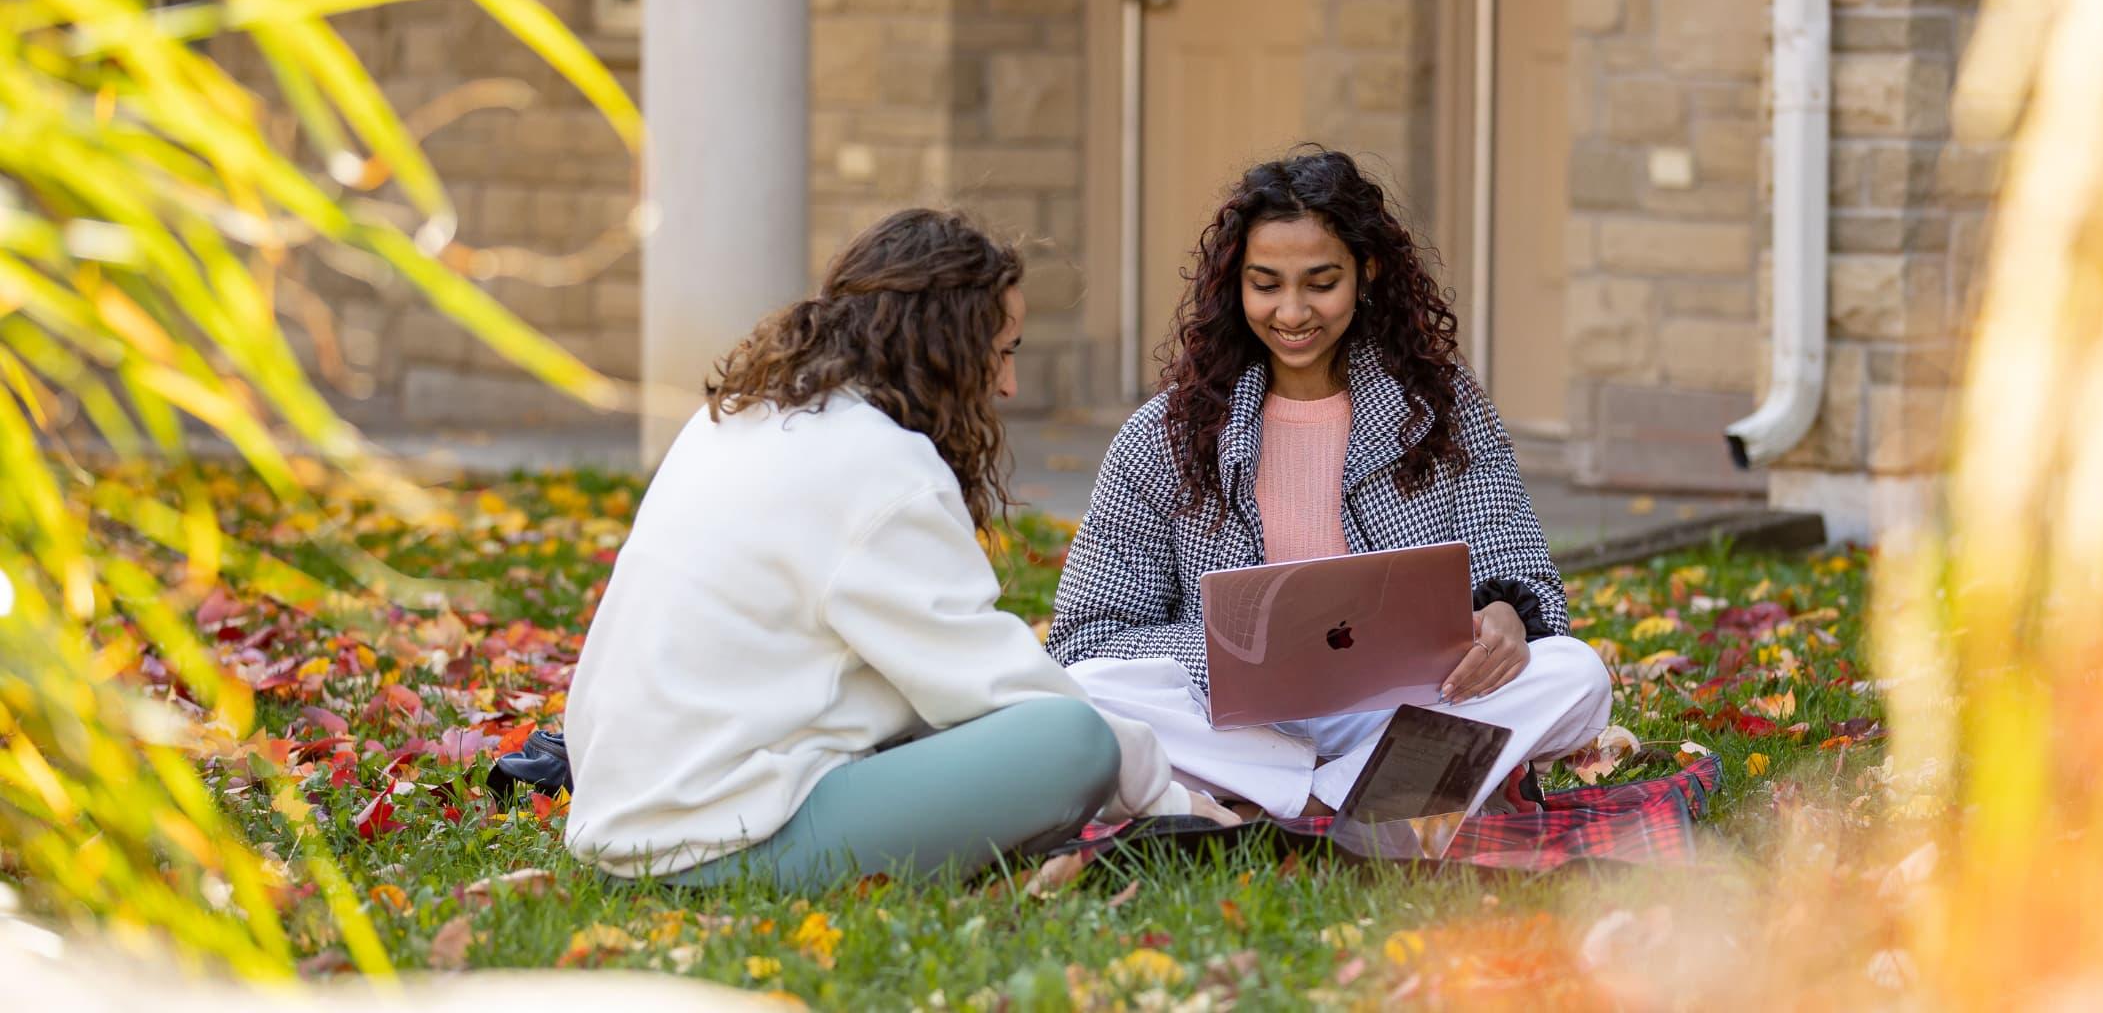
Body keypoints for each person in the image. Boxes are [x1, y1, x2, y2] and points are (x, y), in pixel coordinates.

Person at [564, 209, 1232, 891]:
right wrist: (1175, 800)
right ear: (944, 347)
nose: (1009, 386)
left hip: (628, 822)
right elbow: (1000, 690)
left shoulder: (740, 416)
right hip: (716, 847)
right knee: (1073, 742)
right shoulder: (878, 465)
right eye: (1003, 352)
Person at [1046, 149, 1615, 819]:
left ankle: (1300, 801)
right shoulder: (1165, 434)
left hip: (1394, 711)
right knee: (1087, 691)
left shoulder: (1442, 408)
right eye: (1266, 285)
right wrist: (1239, 660)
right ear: (1236, 285)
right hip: (1237, 724)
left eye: (1320, 283)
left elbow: (1522, 577)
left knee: (1577, 675)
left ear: (1365, 273)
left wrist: (1505, 619)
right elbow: (1086, 637)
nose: (1292, 313)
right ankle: (1361, 797)